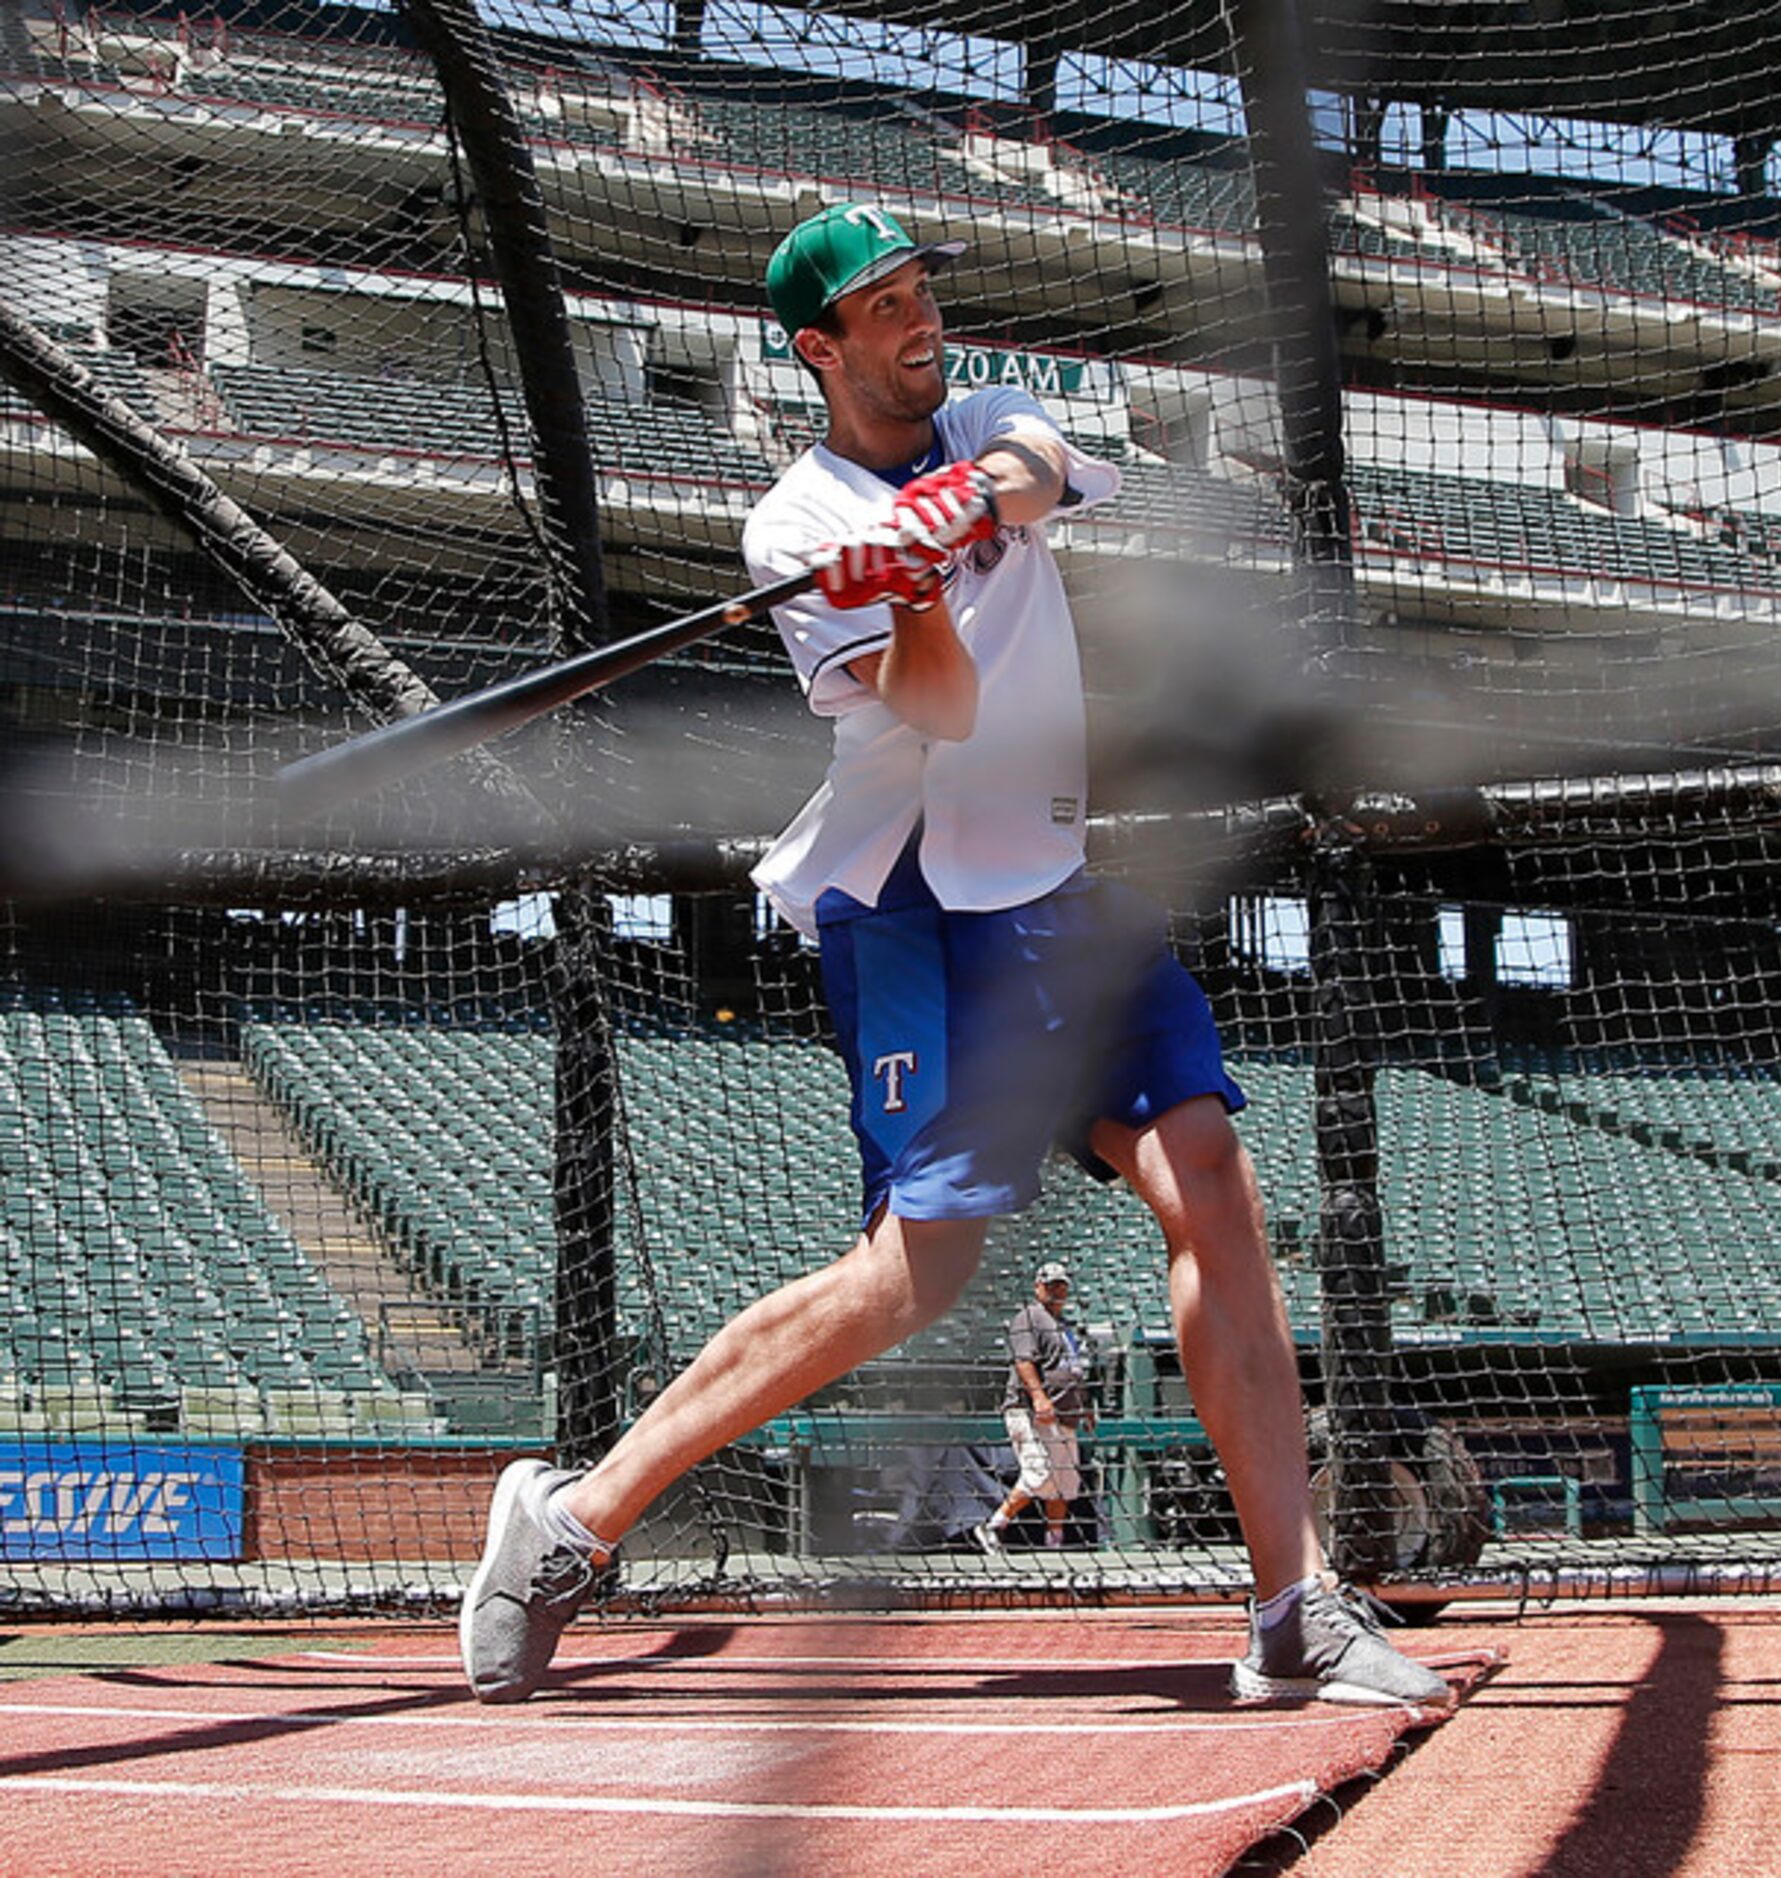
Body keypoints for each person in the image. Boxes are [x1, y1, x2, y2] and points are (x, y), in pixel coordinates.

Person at [457, 201, 1448, 1711]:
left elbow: (1041, 472)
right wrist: (905, 585)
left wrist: (959, 509)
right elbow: (939, 714)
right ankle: (573, 1522)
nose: (922, 322)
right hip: (912, 906)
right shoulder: (793, 530)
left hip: (1054, 887)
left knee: (1214, 1188)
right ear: (820, 348)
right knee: (918, 1277)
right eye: (886, 306)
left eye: (924, 290)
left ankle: (1289, 1606)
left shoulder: (983, 416)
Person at [971, 1260, 1092, 1552]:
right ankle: (992, 1525)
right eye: (1051, 1285)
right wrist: (1039, 1397)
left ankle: (1055, 1542)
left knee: (1064, 1483)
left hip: (1064, 1414)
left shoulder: (1064, 1326)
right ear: (1038, 1287)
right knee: (1040, 1473)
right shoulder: (1030, 1317)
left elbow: (1072, 1371)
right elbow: (1023, 1361)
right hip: (1029, 1410)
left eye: (1061, 1285)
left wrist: (1084, 1406)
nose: (1057, 1291)